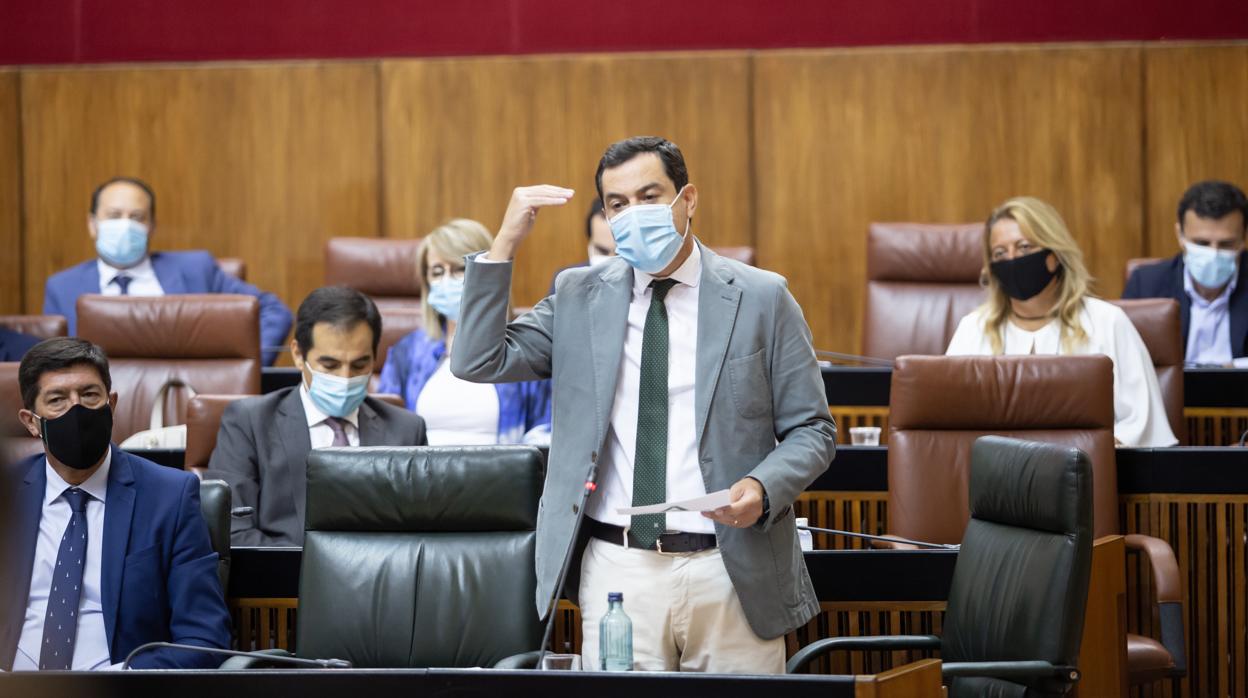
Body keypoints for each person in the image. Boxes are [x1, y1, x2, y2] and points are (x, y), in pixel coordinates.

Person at [451, 136, 836, 673]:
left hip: (729, 565)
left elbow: (814, 430)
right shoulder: (580, 295)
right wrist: (504, 245)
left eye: (649, 196)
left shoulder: (761, 297)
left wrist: (763, 486)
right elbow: (477, 360)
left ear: (688, 199)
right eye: (617, 204)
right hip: (619, 569)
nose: (632, 214)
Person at [2, 338, 230, 670]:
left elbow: (205, 638)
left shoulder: (170, 497)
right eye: (57, 400)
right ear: (31, 421)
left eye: (90, 395)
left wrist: (124, 679)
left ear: (112, 404)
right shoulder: (6, 495)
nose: (76, 409)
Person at [947, 196, 1177, 447]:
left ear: (1054, 254)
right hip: (992, 477)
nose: (1012, 260)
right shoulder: (974, 328)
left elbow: (1141, 425)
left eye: (1024, 247)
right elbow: (949, 421)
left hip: (1084, 476)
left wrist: (1088, 458)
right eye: (1000, 253)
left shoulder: (1107, 322)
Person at [205, 286, 426, 546]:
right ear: (298, 355)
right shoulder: (249, 423)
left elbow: (419, 536)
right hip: (282, 583)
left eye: (359, 365)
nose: (345, 378)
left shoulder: (406, 430)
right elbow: (232, 531)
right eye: (330, 365)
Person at [42, 177, 293, 365]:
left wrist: (244, 368)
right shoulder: (63, 287)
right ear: (92, 224)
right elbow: (52, 364)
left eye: (137, 217)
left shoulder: (196, 269)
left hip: (185, 396)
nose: (125, 224)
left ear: (152, 226)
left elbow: (274, 310)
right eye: (114, 215)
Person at [377, 219, 552, 446]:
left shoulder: (524, 346)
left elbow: (544, 430)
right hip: (420, 476)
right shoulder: (407, 351)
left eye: (460, 269)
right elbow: (385, 429)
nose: (447, 281)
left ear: (487, 274)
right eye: (437, 272)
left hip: (503, 475)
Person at [1123, 180, 1248, 365]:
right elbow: (1124, 356)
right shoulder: (1146, 284)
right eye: (1201, 243)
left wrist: (1233, 367)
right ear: (1180, 235)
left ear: (1243, 239)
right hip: (1172, 394)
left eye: (1226, 244)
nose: (1213, 254)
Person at [547, 199, 616, 294]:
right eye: (604, 217)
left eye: (619, 254)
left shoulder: (640, 278)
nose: (610, 225)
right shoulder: (566, 279)